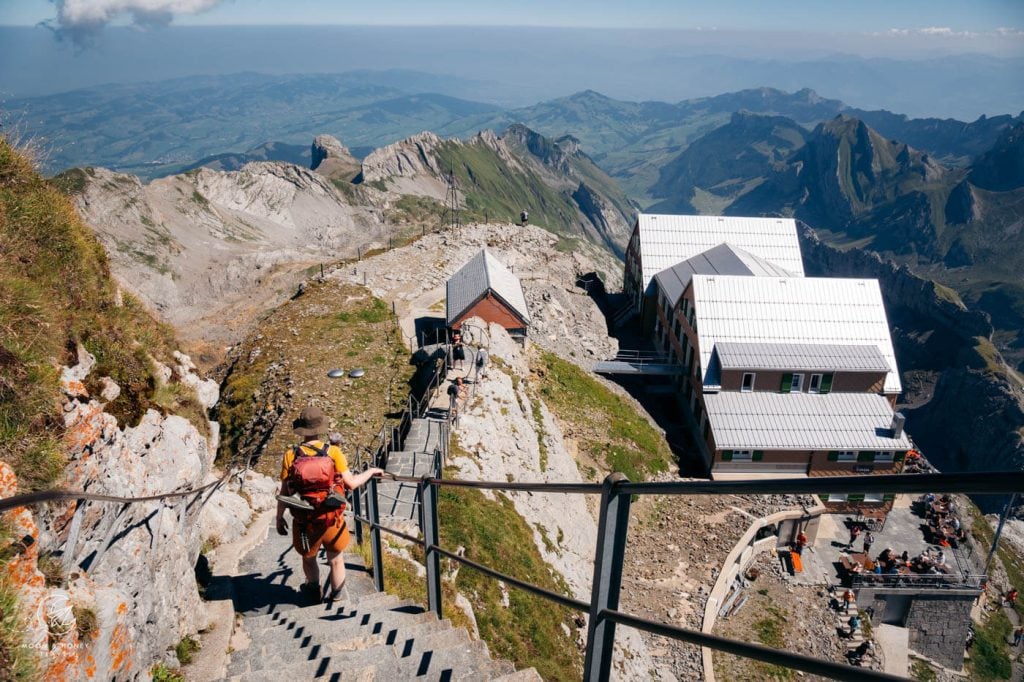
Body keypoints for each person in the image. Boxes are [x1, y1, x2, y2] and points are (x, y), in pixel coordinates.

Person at [276, 406, 383, 604]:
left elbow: (284, 491)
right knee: (336, 559)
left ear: (301, 429)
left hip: (304, 521)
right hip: (331, 518)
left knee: (308, 558)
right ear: (320, 428)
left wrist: (279, 517)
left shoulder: (290, 455)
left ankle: (313, 591)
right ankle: (337, 596)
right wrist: (371, 472)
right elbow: (350, 483)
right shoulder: (333, 452)